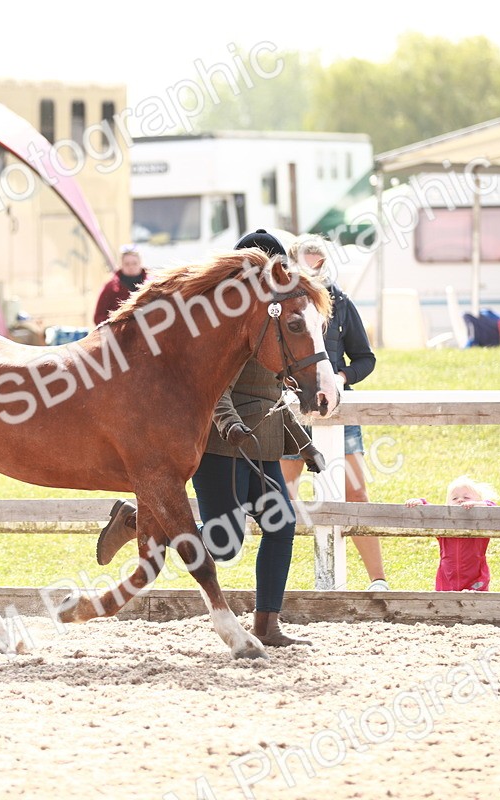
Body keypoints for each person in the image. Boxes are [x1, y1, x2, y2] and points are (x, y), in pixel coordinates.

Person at [95, 228, 311, 647]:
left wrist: (304, 443)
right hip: (221, 446)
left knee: (282, 525)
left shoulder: (273, 322)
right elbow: (215, 391)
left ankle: (268, 624)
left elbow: (274, 395)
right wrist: (229, 424)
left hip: (262, 445)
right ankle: (138, 521)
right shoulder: (224, 326)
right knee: (225, 544)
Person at [279, 234, 388, 591]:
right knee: (283, 496)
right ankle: (280, 583)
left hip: (337, 408)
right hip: (294, 410)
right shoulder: (281, 304)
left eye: (319, 264)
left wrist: (341, 377)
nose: (314, 271)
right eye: (306, 264)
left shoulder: (340, 302)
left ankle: (378, 580)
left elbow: (365, 358)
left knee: (356, 492)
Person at [405, 476, 498, 591]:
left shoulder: (480, 524)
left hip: (476, 581)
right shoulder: (444, 524)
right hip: (447, 581)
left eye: (466, 497)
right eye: (454, 498)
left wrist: (481, 505)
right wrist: (421, 503)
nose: (460, 500)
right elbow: (432, 514)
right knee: (444, 601)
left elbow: (494, 509)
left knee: (475, 600)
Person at [93, 244, 147, 325]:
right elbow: (98, 317)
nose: (131, 267)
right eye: (127, 264)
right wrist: (119, 323)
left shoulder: (151, 286)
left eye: (134, 263)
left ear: (140, 263)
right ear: (121, 264)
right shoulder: (111, 288)